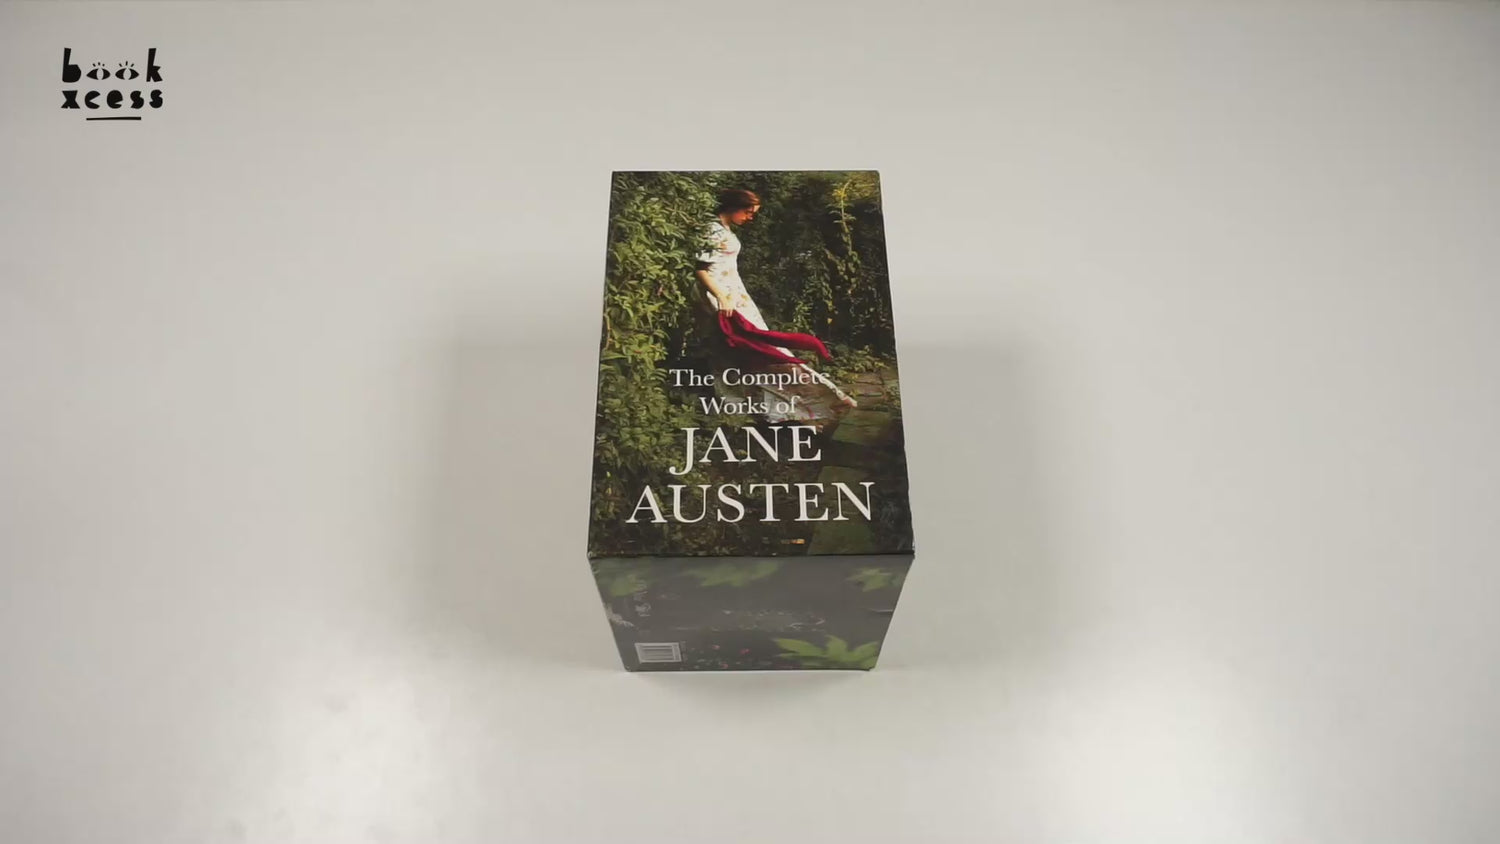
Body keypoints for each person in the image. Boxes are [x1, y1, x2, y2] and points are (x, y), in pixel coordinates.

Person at [692, 188, 856, 425]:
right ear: (733, 206)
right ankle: (748, 406)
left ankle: (782, 404)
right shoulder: (712, 230)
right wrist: (722, 297)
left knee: (752, 347)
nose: (750, 217)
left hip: (733, 294)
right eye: (748, 212)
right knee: (743, 348)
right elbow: (700, 269)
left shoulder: (723, 229)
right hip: (719, 297)